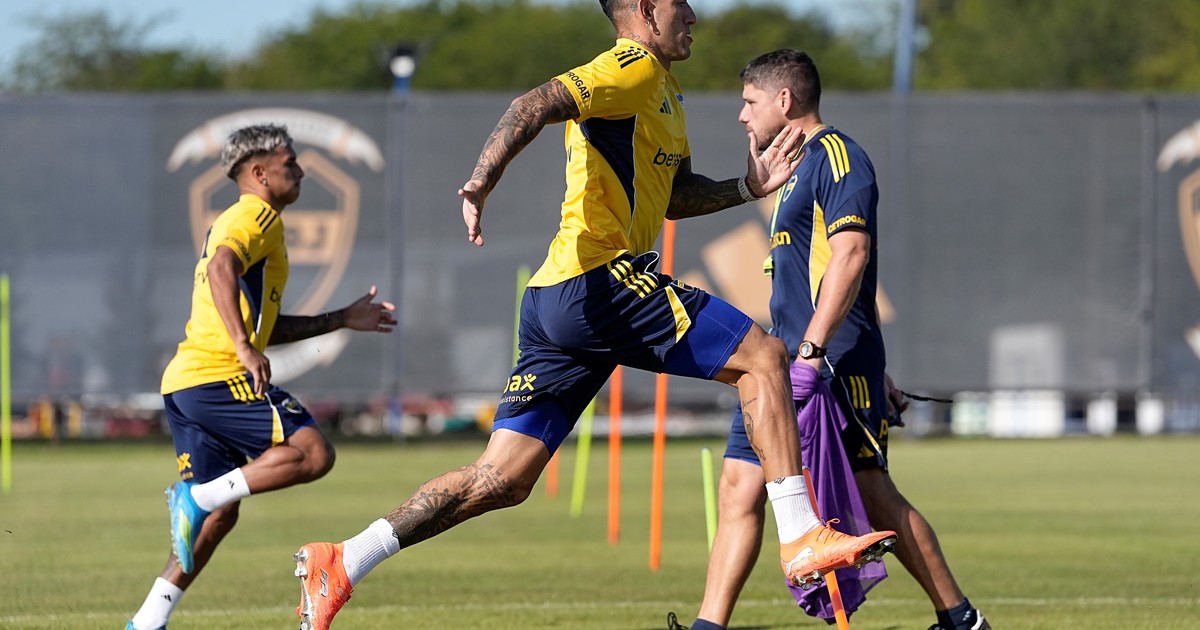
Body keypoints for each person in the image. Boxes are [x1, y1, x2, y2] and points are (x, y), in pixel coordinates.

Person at [289, 3, 896, 629]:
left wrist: (746, 188)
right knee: (764, 357)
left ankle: (346, 558)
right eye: (679, 3)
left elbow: (676, 198)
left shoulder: (664, 91)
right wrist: (481, 181)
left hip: (557, 300)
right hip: (599, 281)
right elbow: (535, 103)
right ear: (644, 9)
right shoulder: (631, 66)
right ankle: (801, 536)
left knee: (502, 480)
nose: (692, 13)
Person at [670, 50, 988, 630]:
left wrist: (818, 353)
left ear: (784, 100)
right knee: (739, 486)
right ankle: (707, 627)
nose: (742, 115)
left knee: (872, 492)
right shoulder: (789, 173)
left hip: (825, 362)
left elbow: (852, 255)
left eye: (749, 102)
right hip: (776, 363)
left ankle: (961, 619)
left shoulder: (838, 156)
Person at [123, 124, 397, 630]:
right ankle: (194, 498)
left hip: (186, 383)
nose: (301, 170)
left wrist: (341, 318)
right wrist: (244, 348)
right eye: (290, 162)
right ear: (259, 172)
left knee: (220, 514)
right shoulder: (257, 213)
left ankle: (146, 621)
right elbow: (222, 268)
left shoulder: (246, 220)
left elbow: (266, 324)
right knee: (313, 453)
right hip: (217, 374)